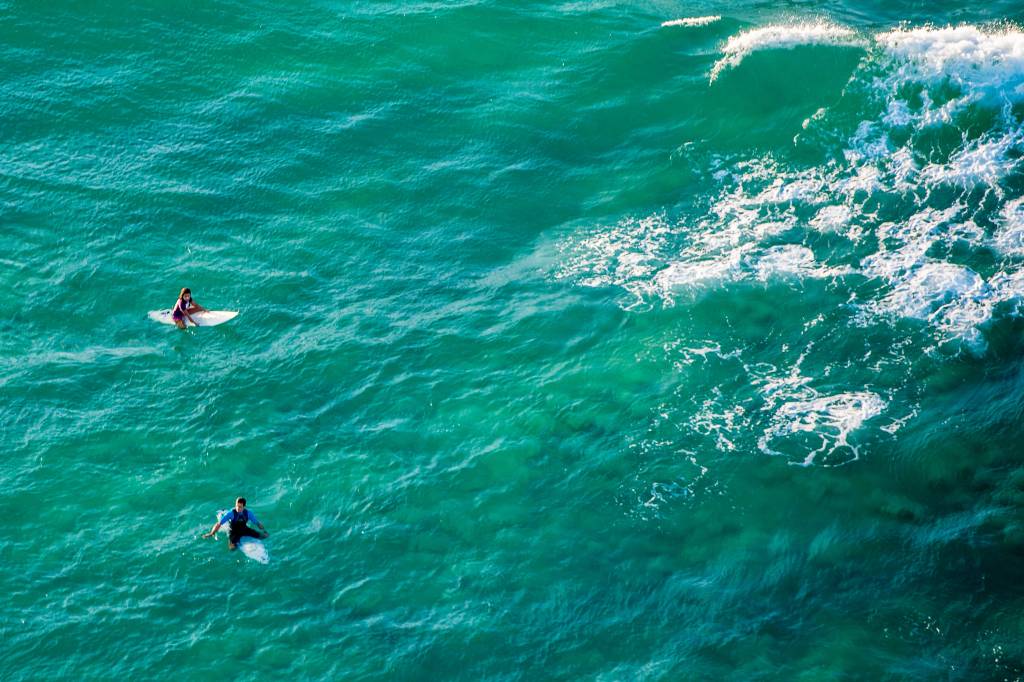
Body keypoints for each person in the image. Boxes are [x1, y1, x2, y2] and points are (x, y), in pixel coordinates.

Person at [203, 497, 268, 550]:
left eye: (240, 506)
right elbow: (219, 524)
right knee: (232, 549)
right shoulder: (231, 513)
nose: (237, 508)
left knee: (264, 536)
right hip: (233, 532)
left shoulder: (248, 513)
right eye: (236, 506)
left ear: (244, 507)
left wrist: (263, 530)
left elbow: (257, 523)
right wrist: (211, 533)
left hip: (244, 529)